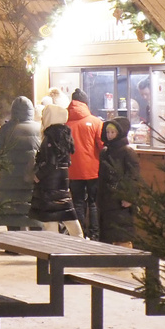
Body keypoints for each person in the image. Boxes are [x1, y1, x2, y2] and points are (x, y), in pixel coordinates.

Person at [29, 105, 83, 236]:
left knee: (50, 218)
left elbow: (50, 162)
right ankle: (79, 239)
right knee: (67, 215)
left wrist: (38, 175)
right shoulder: (64, 136)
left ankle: (52, 245)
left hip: (49, 185)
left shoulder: (50, 138)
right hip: (62, 182)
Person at [0, 96, 41, 229]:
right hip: (32, 180)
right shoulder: (39, 129)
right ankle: (36, 247)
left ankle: (12, 248)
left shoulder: (5, 130)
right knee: (34, 215)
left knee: (12, 216)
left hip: (10, 182)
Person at [66, 89, 104, 239]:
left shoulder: (65, 123)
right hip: (93, 170)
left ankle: (80, 235)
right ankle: (94, 235)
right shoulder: (96, 122)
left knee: (78, 203)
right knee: (93, 203)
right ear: (86, 104)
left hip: (72, 171)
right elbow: (102, 146)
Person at [98, 116, 142, 247]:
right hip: (107, 198)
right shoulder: (105, 152)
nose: (110, 135)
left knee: (122, 233)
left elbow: (134, 176)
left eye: (113, 132)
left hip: (121, 199)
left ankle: (126, 260)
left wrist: (129, 196)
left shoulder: (127, 152)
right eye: (108, 132)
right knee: (108, 232)